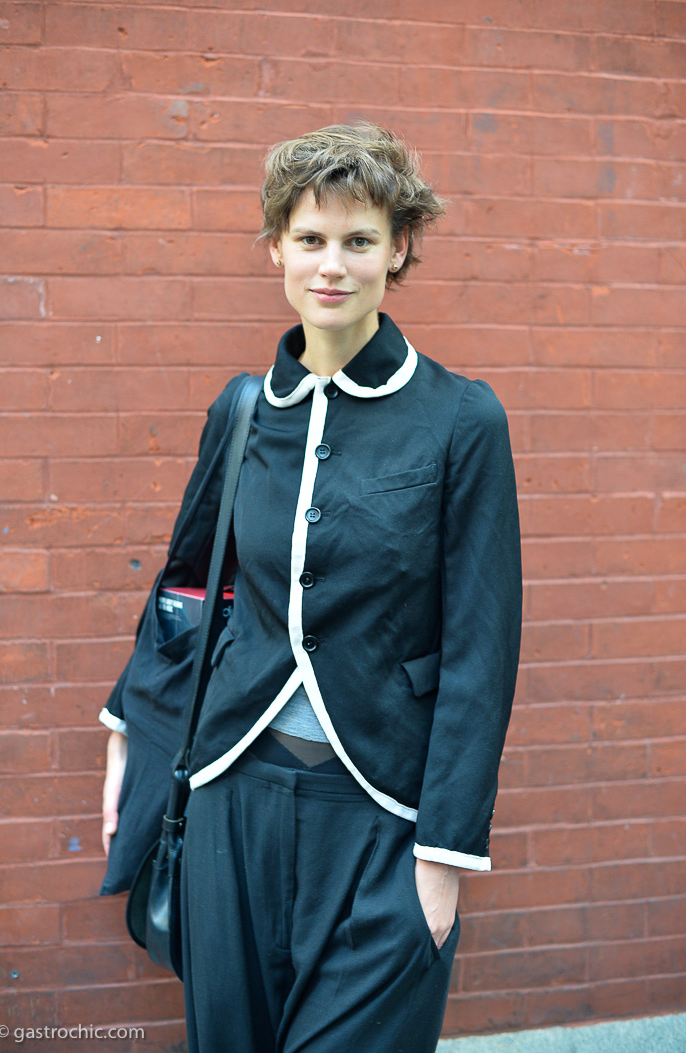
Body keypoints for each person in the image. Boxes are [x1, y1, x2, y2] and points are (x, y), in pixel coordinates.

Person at [101, 123, 522, 1053]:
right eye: (311, 239)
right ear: (277, 250)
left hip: (383, 818)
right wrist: (128, 736)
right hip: (229, 800)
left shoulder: (462, 420)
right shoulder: (242, 409)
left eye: (360, 240)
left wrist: (446, 854)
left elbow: (481, 651)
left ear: (399, 247)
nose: (333, 265)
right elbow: (185, 586)